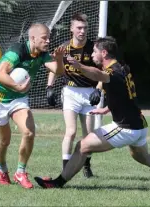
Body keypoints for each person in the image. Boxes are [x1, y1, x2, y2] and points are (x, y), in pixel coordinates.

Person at [34, 36, 150, 190]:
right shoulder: (123, 67)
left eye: (95, 51)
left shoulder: (112, 72)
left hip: (125, 127)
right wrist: (107, 108)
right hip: (139, 125)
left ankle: (57, 183)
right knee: (144, 157)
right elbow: (125, 95)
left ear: (105, 53)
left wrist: (78, 65)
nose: (92, 54)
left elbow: (96, 74)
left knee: (82, 146)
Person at [0, 23, 65, 189]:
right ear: (33, 38)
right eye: (44, 38)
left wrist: (58, 58)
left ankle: (20, 172)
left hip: (18, 98)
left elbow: (59, 71)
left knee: (29, 132)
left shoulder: (42, 54)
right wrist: (17, 86)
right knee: (4, 140)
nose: (48, 41)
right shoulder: (17, 51)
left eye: (49, 37)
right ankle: (2, 168)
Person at [46, 13, 102, 178]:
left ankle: (86, 166)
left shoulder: (94, 48)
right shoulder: (64, 48)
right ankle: (66, 170)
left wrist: (98, 89)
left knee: (89, 135)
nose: (82, 31)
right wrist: (50, 87)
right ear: (71, 29)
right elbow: (55, 68)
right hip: (70, 92)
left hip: (89, 94)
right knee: (70, 132)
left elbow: (104, 72)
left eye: (84, 28)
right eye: (79, 27)